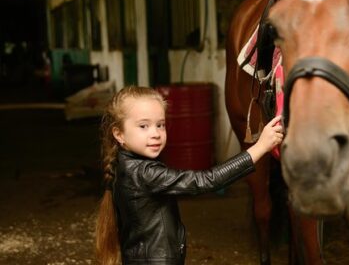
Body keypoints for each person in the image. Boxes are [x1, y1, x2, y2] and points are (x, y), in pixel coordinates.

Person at [95, 86, 283, 265]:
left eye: (160, 125)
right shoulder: (144, 173)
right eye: (143, 126)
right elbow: (204, 181)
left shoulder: (125, 165)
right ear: (119, 134)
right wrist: (260, 147)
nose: (156, 133)